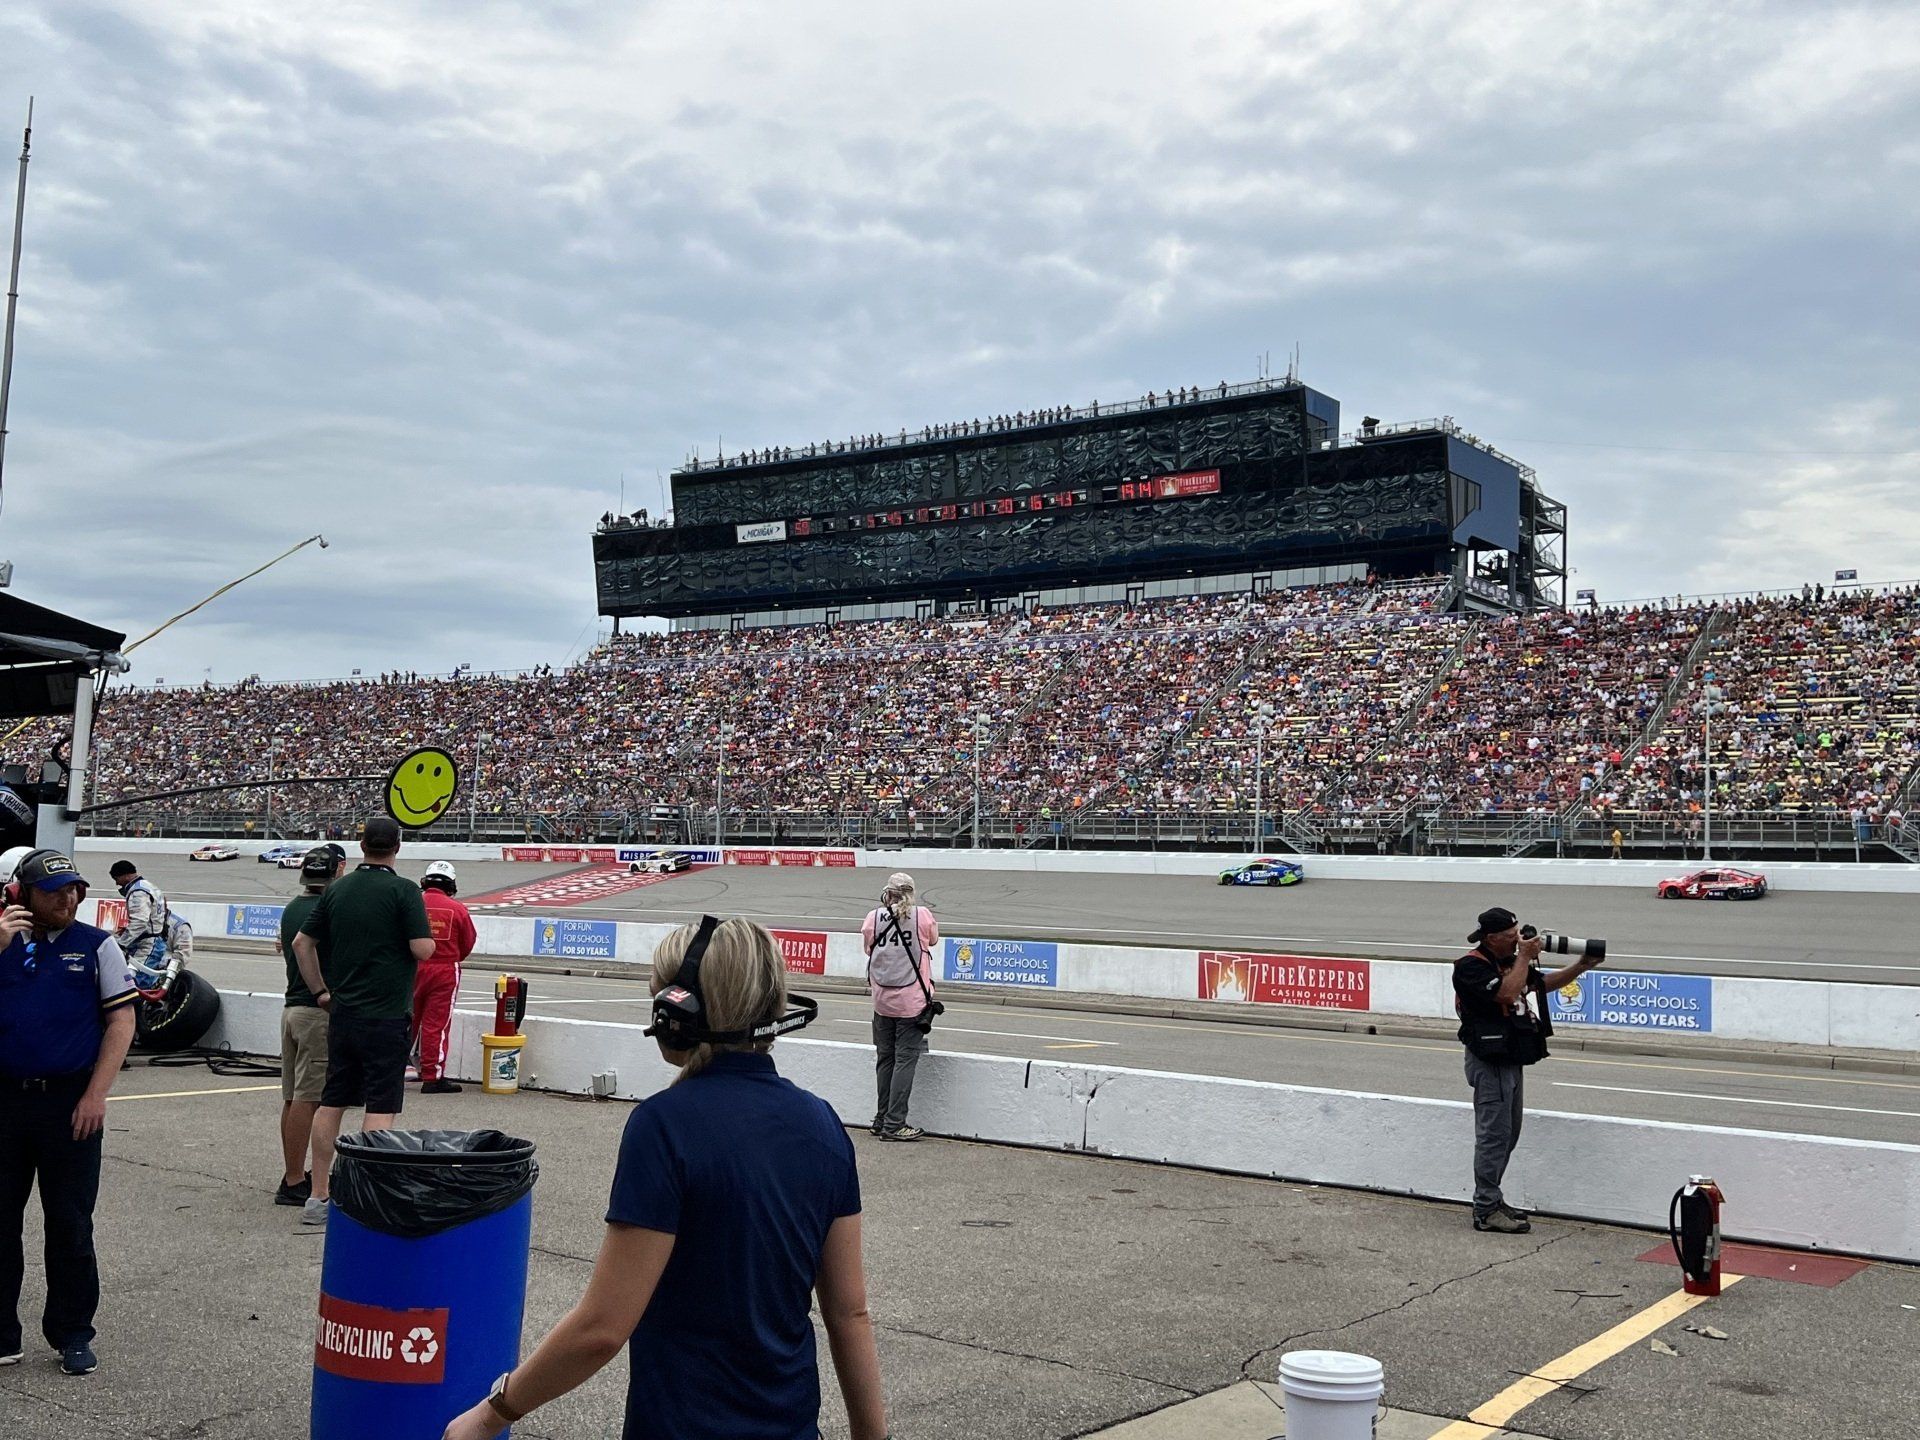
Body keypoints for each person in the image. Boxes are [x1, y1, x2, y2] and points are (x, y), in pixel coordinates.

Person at [438, 917, 889, 1440]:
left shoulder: (663, 1127)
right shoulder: (822, 1123)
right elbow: (849, 1313)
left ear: (678, 1011)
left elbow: (601, 1329)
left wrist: (491, 1413)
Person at [0, 848, 137, 1377]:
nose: (68, 899)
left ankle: (73, 1333)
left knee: (71, 1225)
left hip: (69, 1104)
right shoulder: (2, 940)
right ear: (21, 894)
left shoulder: (97, 946)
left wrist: (96, 1095)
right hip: (6, 1102)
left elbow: (121, 1023)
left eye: (74, 889)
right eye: (54, 891)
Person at [293, 817, 434, 1227]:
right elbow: (423, 949)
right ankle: (367, 1197)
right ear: (397, 847)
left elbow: (302, 943)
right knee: (380, 1105)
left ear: (361, 846)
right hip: (386, 1014)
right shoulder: (404, 890)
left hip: (343, 1013)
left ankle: (318, 1194)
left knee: (332, 1101)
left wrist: (320, 992)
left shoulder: (337, 889)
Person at [1453, 907, 1603, 1234]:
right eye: (1511, 936)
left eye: (1518, 933)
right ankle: (1485, 1209)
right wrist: (1523, 956)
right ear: (1491, 938)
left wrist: (1581, 965)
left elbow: (1541, 984)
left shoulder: (1511, 962)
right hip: (1489, 1062)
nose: (1518, 940)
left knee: (1508, 1134)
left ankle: (1493, 1199)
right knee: (1493, 1136)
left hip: (1511, 1058)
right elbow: (1506, 993)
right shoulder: (1470, 967)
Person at [274, 844, 345, 1207]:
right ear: (337, 872)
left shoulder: (292, 908)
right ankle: (295, 1180)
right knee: (310, 1098)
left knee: (292, 1097)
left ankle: (293, 1174)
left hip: (292, 1008)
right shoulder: (327, 910)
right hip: (316, 1011)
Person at [861, 872, 939, 1142]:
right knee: (904, 1061)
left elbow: (868, 949)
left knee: (885, 1060)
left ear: (888, 893)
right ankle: (895, 1124)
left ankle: (881, 1118)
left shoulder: (873, 917)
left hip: (882, 1000)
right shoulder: (922, 916)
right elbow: (933, 939)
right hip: (912, 1001)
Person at [413, 860, 476, 1094]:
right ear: (451, 884)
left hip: (411, 967)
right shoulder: (457, 909)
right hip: (445, 970)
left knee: (403, 1021)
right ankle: (432, 1076)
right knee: (436, 1025)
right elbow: (467, 943)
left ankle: (390, 1071)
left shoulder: (412, 904)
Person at [106, 860, 167, 982]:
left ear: (126, 875)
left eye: (116, 878)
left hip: (147, 945)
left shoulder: (138, 892)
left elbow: (139, 922)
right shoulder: (149, 886)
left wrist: (121, 944)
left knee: (134, 983)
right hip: (153, 940)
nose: (117, 883)